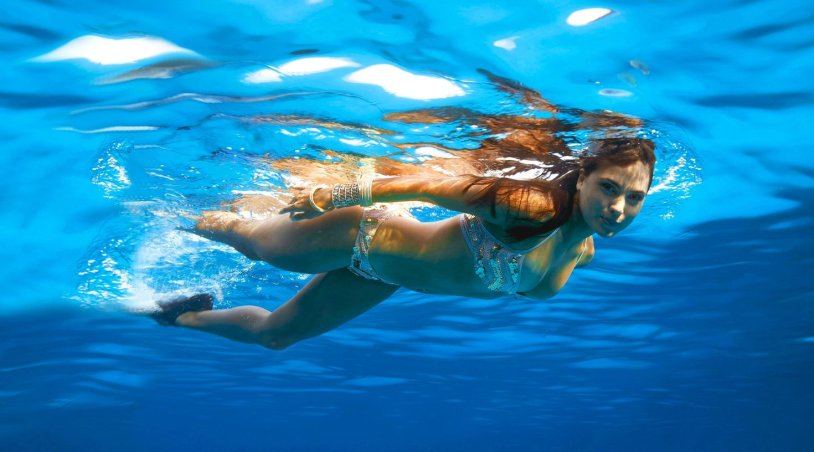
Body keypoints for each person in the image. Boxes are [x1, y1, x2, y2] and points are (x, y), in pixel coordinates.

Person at [150, 137, 656, 351]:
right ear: (584, 179)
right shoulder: (533, 206)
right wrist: (332, 193)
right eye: (608, 188)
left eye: (633, 198)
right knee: (252, 243)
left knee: (276, 337)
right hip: (364, 234)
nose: (616, 208)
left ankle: (177, 314)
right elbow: (428, 185)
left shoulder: (581, 253)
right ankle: (170, 211)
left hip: (383, 274)